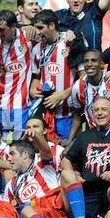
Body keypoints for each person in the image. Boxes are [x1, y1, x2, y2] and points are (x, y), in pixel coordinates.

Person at [1, 129, 90, 218]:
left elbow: (46, 151)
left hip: (61, 206)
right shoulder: (11, 186)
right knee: (25, 210)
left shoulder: (41, 164)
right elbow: (9, 210)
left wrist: (37, 136)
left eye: (12, 154)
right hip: (42, 216)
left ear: (25, 154)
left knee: (68, 174)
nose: (9, 159)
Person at [62, 97, 110, 218]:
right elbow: (67, 159)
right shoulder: (84, 136)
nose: (99, 113)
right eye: (96, 110)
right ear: (92, 114)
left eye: (104, 109)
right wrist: (75, 174)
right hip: (88, 190)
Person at [29, 9, 87, 141]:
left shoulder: (70, 43)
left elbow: (84, 78)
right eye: (35, 28)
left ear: (51, 25)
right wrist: (33, 88)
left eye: (40, 28)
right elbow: (37, 76)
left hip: (68, 113)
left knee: (66, 153)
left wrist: (62, 95)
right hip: (45, 113)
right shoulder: (37, 48)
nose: (37, 32)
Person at [65, 50, 110, 146]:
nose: (89, 64)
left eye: (93, 60)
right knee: (66, 154)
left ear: (101, 64)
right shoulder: (78, 87)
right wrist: (69, 140)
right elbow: (78, 116)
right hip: (94, 135)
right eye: (86, 61)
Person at [0, 10, 34, 139]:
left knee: (18, 144)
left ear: (13, 27)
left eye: (2, 29)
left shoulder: (27, 36)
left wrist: (68, 34)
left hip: (20, 103)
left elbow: (51, 33)